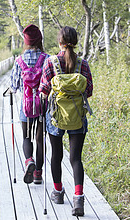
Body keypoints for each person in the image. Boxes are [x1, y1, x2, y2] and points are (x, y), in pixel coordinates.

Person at [39, 26, 93, 216]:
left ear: (59, 42)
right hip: (78, 116)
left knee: (56, 154)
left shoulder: (50, 62)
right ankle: (78, 199)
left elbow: (44, 90)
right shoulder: (83, 64)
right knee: (76, 158)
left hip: (55, 116)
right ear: (76, 41)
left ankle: (58, 191)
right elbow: (89, 91)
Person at [10, 24, 48, 184]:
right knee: (40, 139)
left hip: (25, 105)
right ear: (39, 40)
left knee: (26, 136)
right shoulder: (46, 58)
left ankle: (29, 161)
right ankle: (38, 174)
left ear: (26, 41)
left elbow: (14, 85)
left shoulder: (19, 60)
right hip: (42, 105)